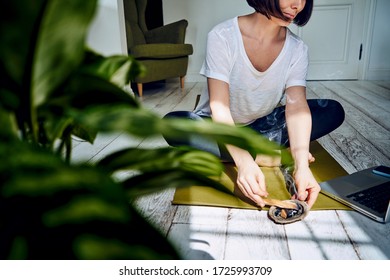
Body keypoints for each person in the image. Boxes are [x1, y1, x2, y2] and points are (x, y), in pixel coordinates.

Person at [163, 0, 345, 209]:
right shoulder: (222, 36)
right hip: (218, 127)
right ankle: (267, 156)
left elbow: (296, 106)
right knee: (173, 125)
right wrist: (244, 163)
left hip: (262, 126)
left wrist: (302, 166)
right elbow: (219, 107)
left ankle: (242, 153)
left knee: (331, 110)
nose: (298, 5)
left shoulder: (298, 49)